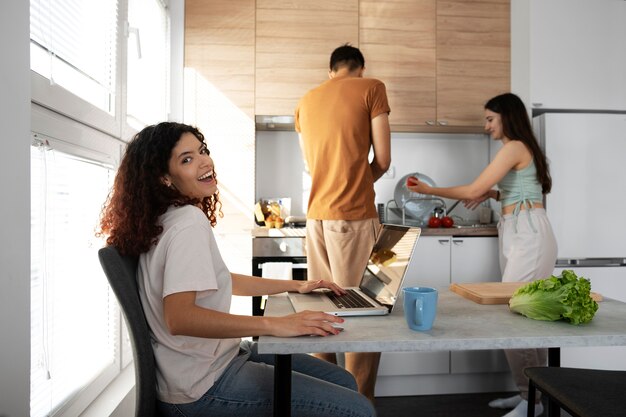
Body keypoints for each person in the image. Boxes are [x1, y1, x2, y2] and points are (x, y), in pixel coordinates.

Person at [97, 122, 376, 417]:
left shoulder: (164, 220)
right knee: (357, 409)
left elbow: (219, 281)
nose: (204, 160)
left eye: (202, 151)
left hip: (213, 362)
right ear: (165, 178)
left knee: (342, 379)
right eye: (187, 159)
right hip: (202, 386)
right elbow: (179, 318)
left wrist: (295, 285)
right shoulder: (188, 223)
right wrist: (276, 325)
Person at [406, 92, 557, 417]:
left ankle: (533, 402)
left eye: (490, 119)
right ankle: (531, 396)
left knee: (516, 315)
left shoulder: (515, 146)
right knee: (528, 317)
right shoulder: (516, 148)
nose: (486, 126)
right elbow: (518, 189)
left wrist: (429, 190)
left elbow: (472, 190)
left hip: (527, 234)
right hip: (521, 231)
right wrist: (494, 193)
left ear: (507, 116)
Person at [294, 43, 391, 402]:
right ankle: (359, 407)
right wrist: (361, 184)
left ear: (330, 70)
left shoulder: (306, 100)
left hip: (316, 219)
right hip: (354, 217)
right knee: (364, 315)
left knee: (323, 313)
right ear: (360, 69)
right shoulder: (372, 88)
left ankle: (329, 403)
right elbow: (382, 158)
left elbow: (313, 166)